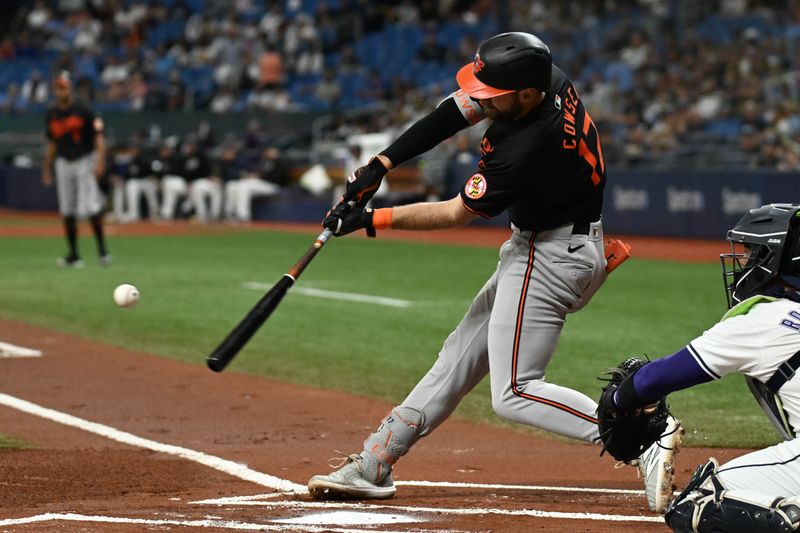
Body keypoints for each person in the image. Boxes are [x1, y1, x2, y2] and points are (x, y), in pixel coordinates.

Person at [307, 32, 681, 514]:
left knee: (515, 392)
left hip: (548, 256)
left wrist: (370, 219)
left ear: (525, 94)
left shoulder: (525, 148)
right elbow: (453, 110)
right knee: (458, 357)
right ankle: (375, 462)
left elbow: (455, 214)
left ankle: (641, 434)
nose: (480, 99)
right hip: (556, 244)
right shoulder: (547, 81)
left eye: (491, 93)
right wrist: (383, 163)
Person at [598, 203, 800, 533]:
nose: (743, 262)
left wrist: (619, 401)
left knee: (698, 502)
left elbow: (656, 379)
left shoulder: (762, 320)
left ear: (773, 259)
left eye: (751, 252)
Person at [42, 72, 110, 267]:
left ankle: (102, 251)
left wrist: (100, 161)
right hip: (63, 162)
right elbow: (52, 143)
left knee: (90, 205)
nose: (61, 90)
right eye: (58, 87)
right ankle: (73, 255)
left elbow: (99, 136)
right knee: (67, 208)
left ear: (70, 89)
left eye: (64, 87)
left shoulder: (84, 110)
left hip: (84, 160)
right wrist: (47, 167)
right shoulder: (52, 113)